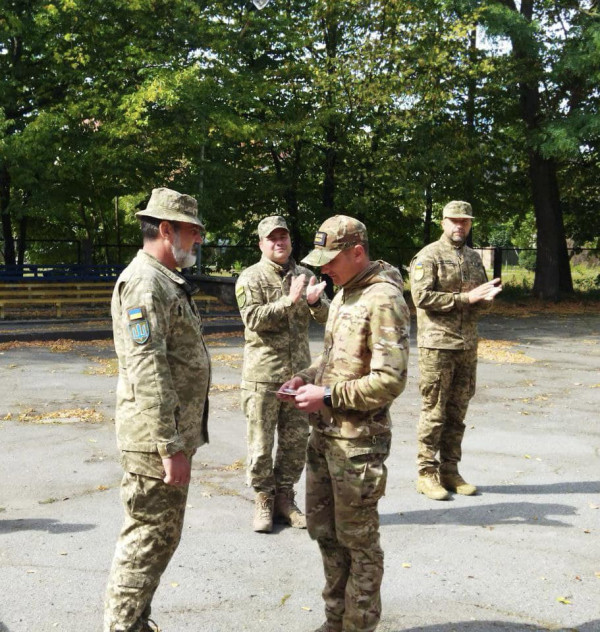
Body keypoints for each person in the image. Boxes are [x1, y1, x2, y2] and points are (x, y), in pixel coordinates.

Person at [279, 215, 410, 632]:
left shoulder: (384, 298)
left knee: (359, 543)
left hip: (359, 444)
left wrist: (329, 396)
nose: (323, 269)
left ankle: (359, 626)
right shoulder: (344, 295)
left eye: (331, 259)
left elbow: (390, 379)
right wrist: (306, 377)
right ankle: (335, 620)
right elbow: (335, 360)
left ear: (357, 252)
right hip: (326, 437)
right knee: (327, 536)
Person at [104, 187, 211, 632]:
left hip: (167, 437)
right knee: (146, 542)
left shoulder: (164, 279)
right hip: (155, 442)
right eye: (193, 231)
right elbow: (147, 370)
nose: (199, 240)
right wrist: (170, 446)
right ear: (166, 230)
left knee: (160, 540)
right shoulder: (145, 283)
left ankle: (136, 622)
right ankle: (122, 627)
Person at [235, 215, 329, 533]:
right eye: (272, 238)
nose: (279, 242)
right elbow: (253, 318)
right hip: (264, 376)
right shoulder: (250, 278)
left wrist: (315, 303)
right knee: (261, 445)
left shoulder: (305, 274)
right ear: (261, 244)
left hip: (299, 375)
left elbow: (327, 315)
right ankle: (264, 498)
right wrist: (288, 302)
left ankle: (285, 499)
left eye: (283, 237)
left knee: (294, 443)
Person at [409, 200, 502, 501]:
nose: (459, 226)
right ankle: (426, 473)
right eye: (454, 220)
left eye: (465, 221)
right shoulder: (429, 256)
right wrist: (465, 298)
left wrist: (487, 298)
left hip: (466, 346)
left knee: (457, 412)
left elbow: (479, 297)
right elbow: (421, 297)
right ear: (443, 222)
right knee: (434, 411)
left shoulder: (474, 258)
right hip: (438, 346)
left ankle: (450, 470)